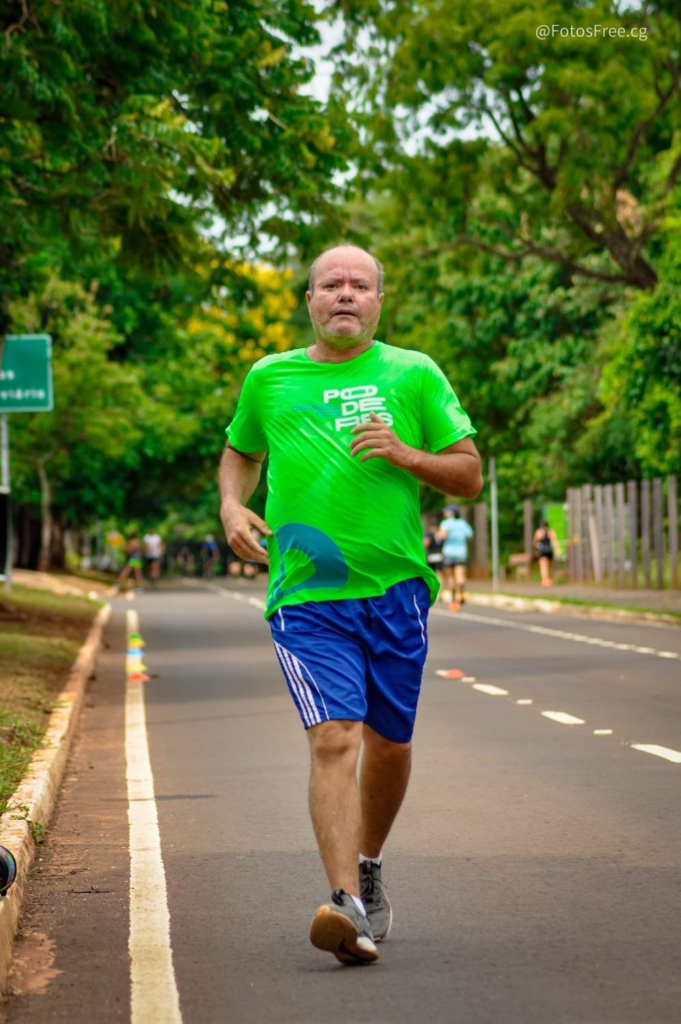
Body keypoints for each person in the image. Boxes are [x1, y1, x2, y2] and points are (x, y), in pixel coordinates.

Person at [219, 243, 482, 966]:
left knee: (389, 743)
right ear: (308, 299)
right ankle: (345, 906)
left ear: (377, 301)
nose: (343, 294)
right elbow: (241, 449)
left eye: (358, 285)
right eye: (329, 284)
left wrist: (406, 455)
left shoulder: (413, 372)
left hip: (396, 591)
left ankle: (367, 863)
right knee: (335, 736)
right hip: (306, 594)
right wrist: (231, 506)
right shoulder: (270, 378)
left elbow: (467, 475)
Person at [438, 504, 474, 610]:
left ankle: (453, 598)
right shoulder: (463, 523)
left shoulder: (446, 523)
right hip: (461, 552)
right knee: (460, 574)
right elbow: (470, 536)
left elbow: (441, 536)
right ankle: (461, 592)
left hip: (448, 552)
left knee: (450, 576)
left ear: (451, 513)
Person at [422, 516, 445, 600]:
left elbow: (426, 543)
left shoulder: (429, 534)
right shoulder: (440, 533)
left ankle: (431, 592)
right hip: (439, 555)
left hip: (431, 556)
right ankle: (440, 593)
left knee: (430, 575)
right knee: (440, 575)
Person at [534, 519, 560, 586]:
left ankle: (544, 580)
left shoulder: (539, 532)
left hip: (542, 551)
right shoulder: (550, 532)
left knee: (543, 566)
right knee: (549, 566)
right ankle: (549, 580)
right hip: (549, 550)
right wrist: (557, 550)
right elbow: (554, 542)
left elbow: (535, 542)